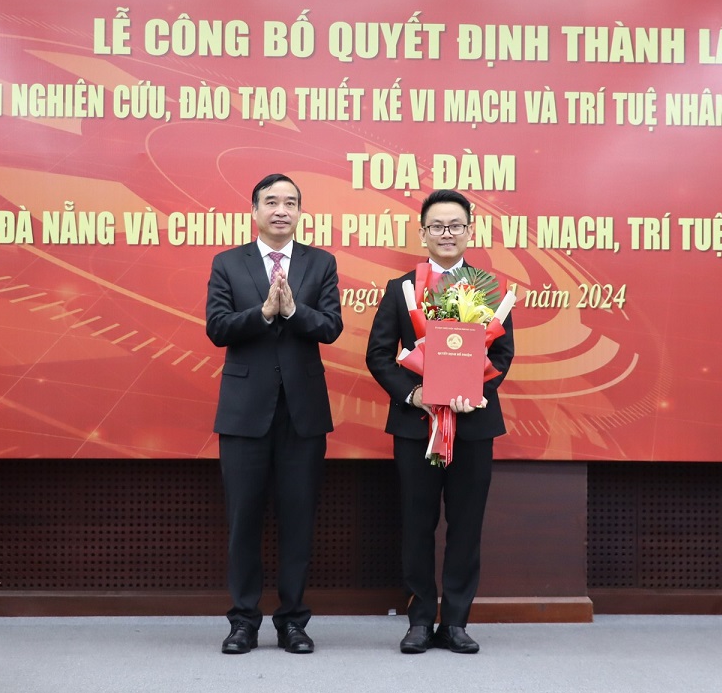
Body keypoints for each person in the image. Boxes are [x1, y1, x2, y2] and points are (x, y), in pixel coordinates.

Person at [365, 189, 514, 654]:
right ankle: (419, 620)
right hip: (417, 428)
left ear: (470, 231)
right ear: (423, 233)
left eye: (455, 226)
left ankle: (455, 622)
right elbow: (379, 355)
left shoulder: (490, 288)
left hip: (473, 428)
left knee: (466, 526)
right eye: (437, 226)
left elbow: (502, 355)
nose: (446, 233)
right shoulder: (402, 289)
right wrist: (414, 395)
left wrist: (475, 391)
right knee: (417, 524)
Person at [206, 173, 343, 655]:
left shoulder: (321, 262)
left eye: (290, 202)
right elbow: (217, 328)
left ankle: (293, 622)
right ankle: (243, 621)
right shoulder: (228, 262)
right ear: (255, 210)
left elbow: (331, 327)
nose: (281, 210)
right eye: (271, 201)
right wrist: (263, 313)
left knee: (298, 521)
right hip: (244, 414)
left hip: (302, 414)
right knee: (244, 521)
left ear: (300, 212)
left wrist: (292, 311)